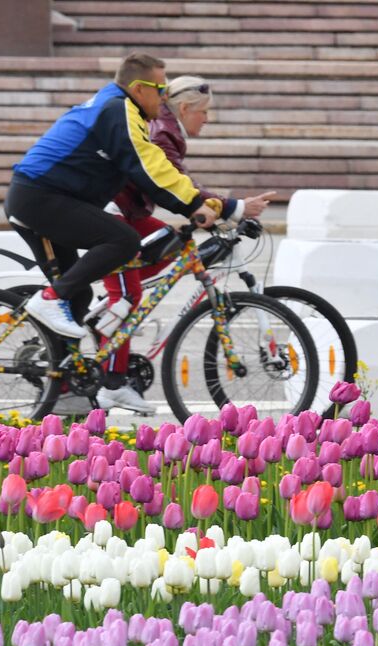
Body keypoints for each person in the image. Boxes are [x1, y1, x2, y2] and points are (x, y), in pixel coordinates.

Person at [3, 51, 228, 409]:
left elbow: (149, 166)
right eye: (160, 89)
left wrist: (201, 202)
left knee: (77, 298)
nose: (165, 97)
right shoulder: (118, 109)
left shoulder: (124, 109)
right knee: (122, 239)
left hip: (49, 197)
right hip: (40, 197)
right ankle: (49, 300)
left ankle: (64, 393)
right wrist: (195, 204)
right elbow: (148, 167)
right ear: (140, 89)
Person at [96, 75, 273, 415]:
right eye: (204, 112)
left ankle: (108, 316)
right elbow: (176, 185)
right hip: (113, 213)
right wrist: (229, 206)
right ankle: (113, 385)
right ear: (186, 108)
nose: (207, 119)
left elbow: (182, 185)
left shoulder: (166, 129)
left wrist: (218, 209)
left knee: (173, 248)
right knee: (128, 295)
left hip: (128, 210)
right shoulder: (163, 132)